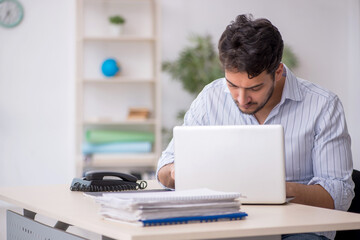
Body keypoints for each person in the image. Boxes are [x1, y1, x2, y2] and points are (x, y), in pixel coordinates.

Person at [157, 14, 354, 240]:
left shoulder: (323, 106)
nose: (241, 99)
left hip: (298, 231)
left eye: (255, 87)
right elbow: (164, 168)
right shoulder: (210, 98)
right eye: (232, 85)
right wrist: (177, 172)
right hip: (224, 228)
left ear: (278, 72)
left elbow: (340, 195)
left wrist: (274, 189)